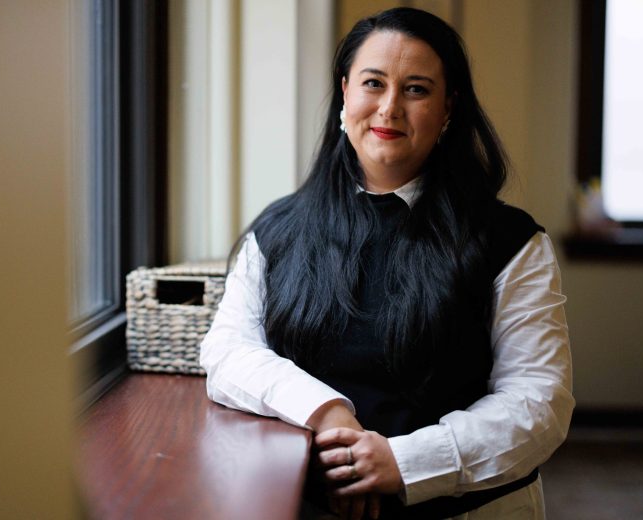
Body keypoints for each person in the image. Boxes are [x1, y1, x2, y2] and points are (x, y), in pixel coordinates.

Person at [200, 7, 573, 520]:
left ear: (448, 109)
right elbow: (227, 353)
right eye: (373, 83)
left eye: (417, 89)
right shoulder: (278, 228)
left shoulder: (510, 240)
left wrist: (401, 463)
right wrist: (331, 417)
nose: (390, 107)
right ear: (345, 91)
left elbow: (539, 403)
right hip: (308, 504)